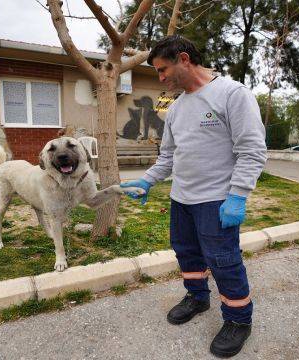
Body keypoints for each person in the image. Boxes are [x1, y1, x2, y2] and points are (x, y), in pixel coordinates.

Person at [121, 35, 267, 358]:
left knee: (224, 261)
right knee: (186, 253)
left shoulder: (232, 94)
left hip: (217, 201)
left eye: (163, 70)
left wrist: (238, 196)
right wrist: (146, 181)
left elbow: (253, 151)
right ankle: (197, 297)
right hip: (181, 200)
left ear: (184, 59)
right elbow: (168, 158)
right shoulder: (175, 110)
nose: (160, 78)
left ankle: (239, 320)